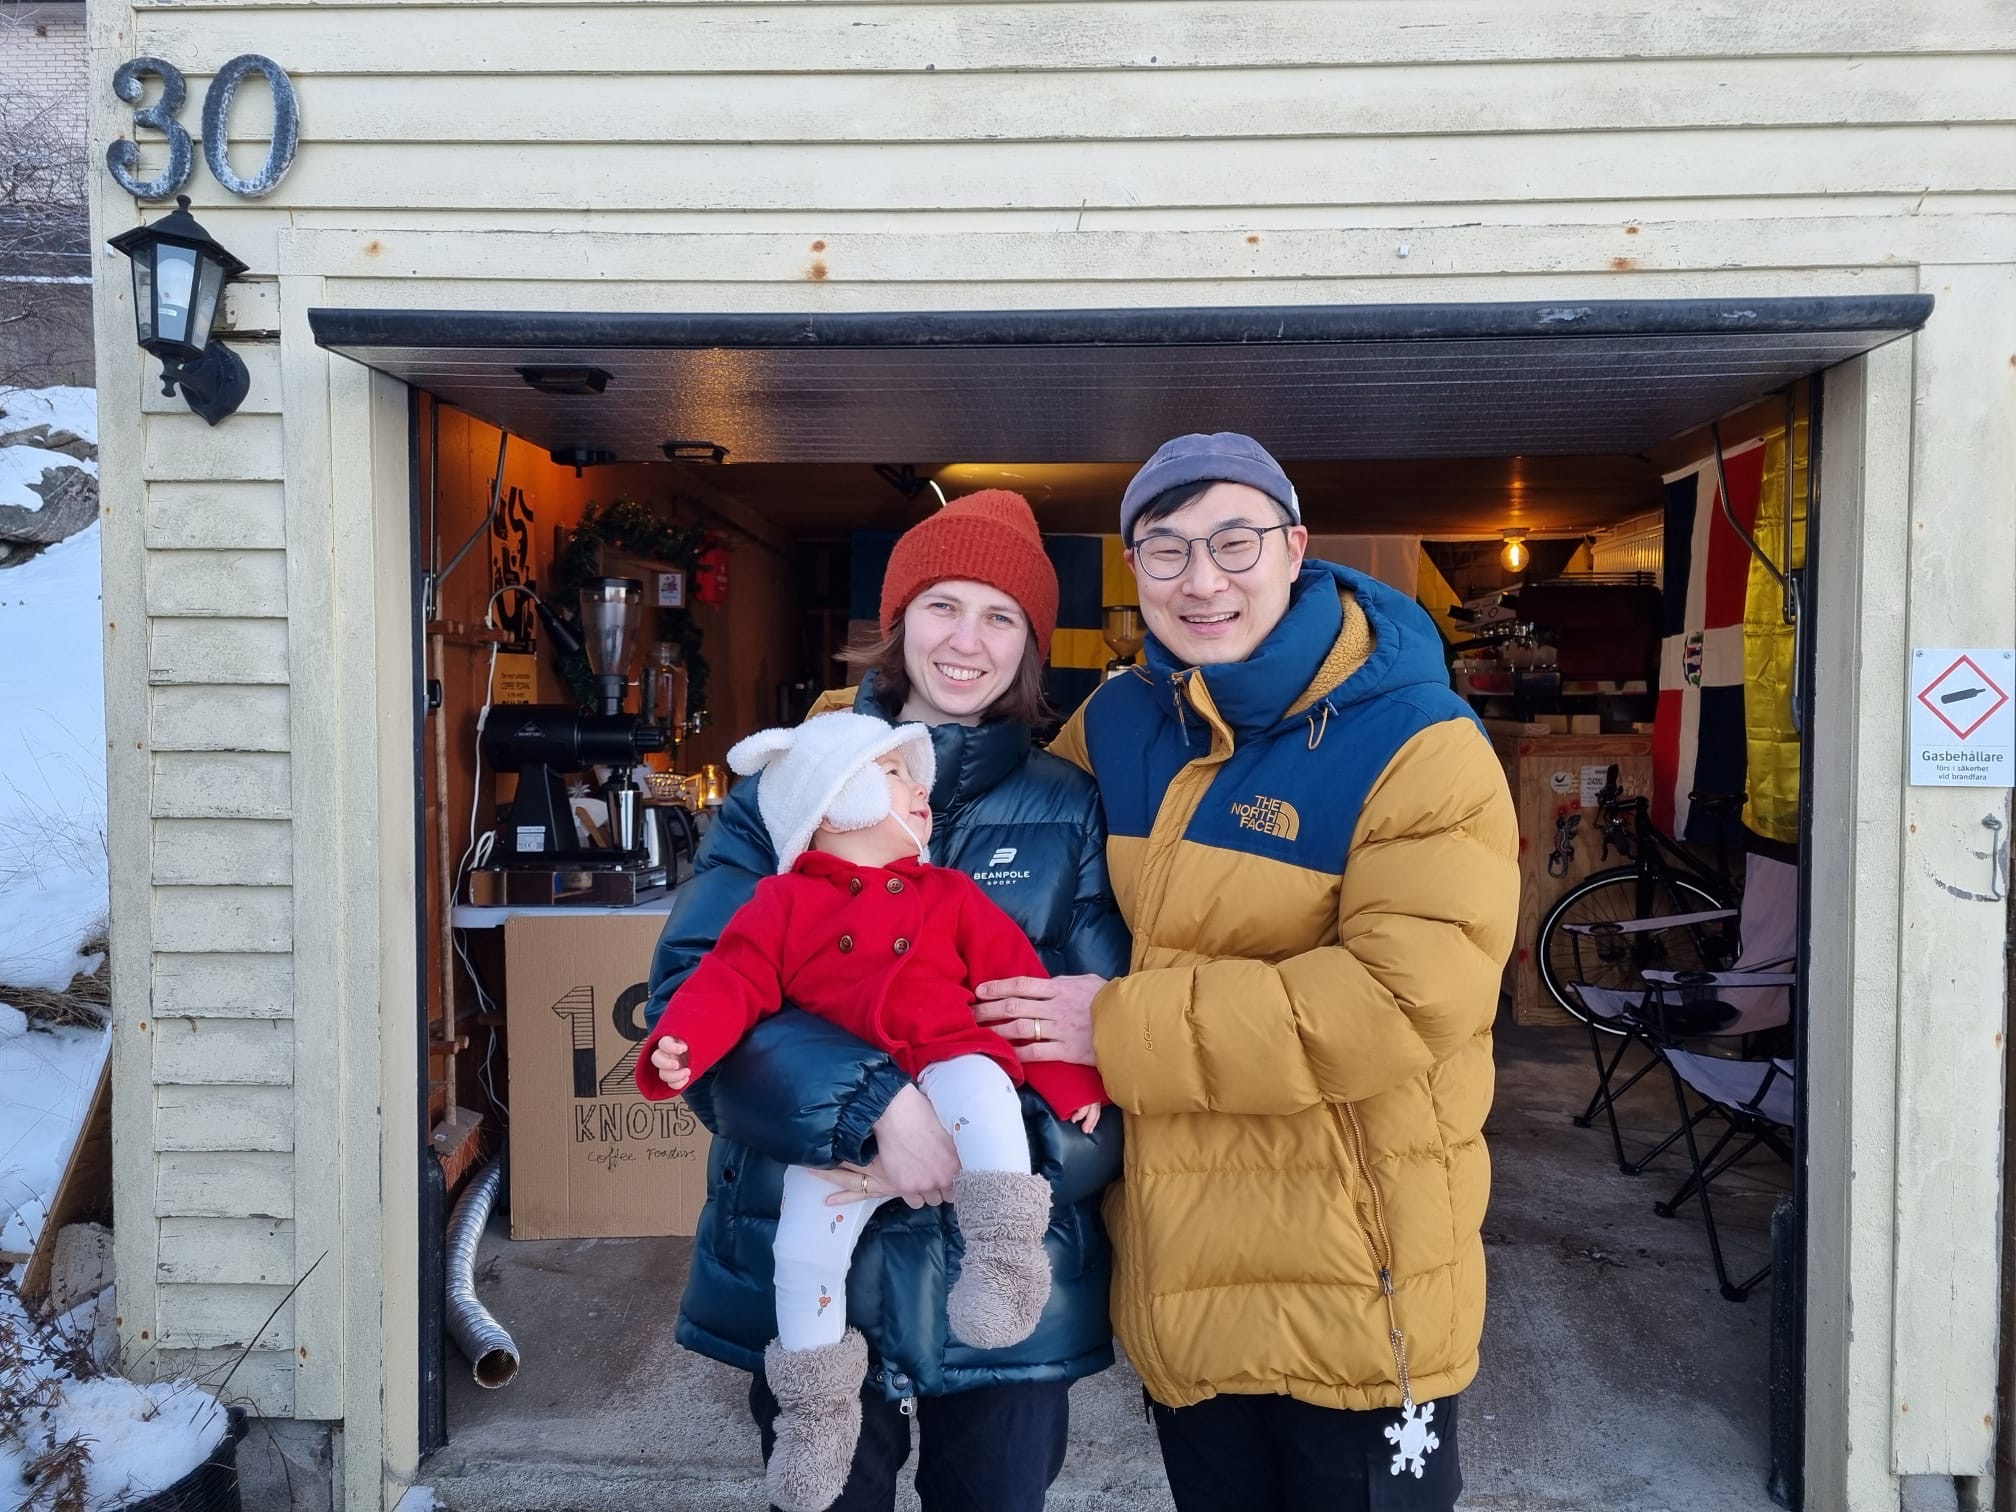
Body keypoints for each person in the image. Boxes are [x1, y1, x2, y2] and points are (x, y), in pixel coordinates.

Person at [974, 434, 1520, 1512]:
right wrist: (857, 753)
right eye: (1166, 549)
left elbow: (1403, 1000)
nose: (1202, 579)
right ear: (1136, 568)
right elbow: (1009, 845)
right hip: (1181, 1273)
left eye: (1235, 542)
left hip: (1353, 1279)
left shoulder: (1419, 741)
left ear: (1295, 547)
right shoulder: (1120, 721)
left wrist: (1116, 1027)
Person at [640, 489, 1130, 1512]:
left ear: (1031, 646)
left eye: (1001, 616)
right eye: (943, 605)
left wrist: (998, 1156)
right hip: (816, 1239)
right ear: (898, 623)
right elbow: (696, 996)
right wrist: (876, 1111)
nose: (967, 641)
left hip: (1004, 1287)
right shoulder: (786, 794)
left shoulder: (1069, 807)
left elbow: (1100, 1031)